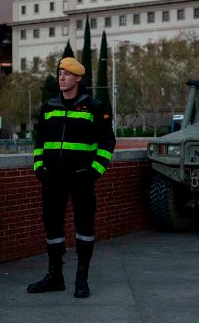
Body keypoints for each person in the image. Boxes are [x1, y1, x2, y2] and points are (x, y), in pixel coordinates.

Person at [27, 57, 116, 298]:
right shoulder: (49, 106)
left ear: (78, 78)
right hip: (52, 178)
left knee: (84, 227)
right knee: (52, 226)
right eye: (60, 73)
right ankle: (55, 277)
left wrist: (95, 170)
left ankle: (81, 279)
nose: (62, 77)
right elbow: (40, 142)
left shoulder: (93, 106)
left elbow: (108, 142)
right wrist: (39, 167)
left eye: (67, 74)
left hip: (81, 178)